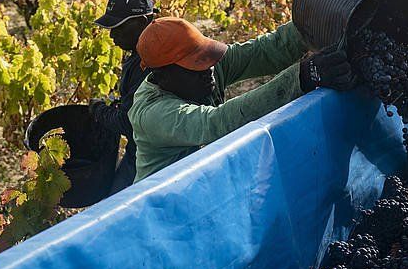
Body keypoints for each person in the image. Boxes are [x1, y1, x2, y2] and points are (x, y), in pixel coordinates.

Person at [129, 17, 355, 182]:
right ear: (163, 74)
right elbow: (217, 123)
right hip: (161, 210)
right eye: (195, 65)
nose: (208, 69)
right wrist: (302, 77)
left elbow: (263, 52)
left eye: (204, 57)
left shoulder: (202, 72)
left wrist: (319, 22)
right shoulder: (152, 113)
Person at [89, 0, 157, 191]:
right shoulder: (141, 52)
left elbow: (130, 123)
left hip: (151, 156)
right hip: (140, 149)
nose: (111, 35)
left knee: (115, 208)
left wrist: (98, 110)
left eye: (118, 27)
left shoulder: (148, 64)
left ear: (142, 22)